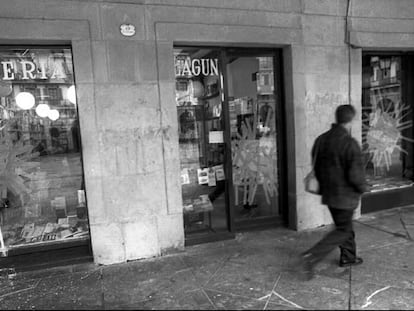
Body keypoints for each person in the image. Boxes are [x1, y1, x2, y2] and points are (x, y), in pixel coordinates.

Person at [301, 104, 369, 280]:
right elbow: (355, 176)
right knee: (343, 230)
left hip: (329, 194)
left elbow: (316, 165)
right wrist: (364, 188)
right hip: (345, 196)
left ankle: (348, 257)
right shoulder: (350, 144)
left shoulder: (321, 139)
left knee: (344, 226)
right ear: (351, 120)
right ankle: (312, 255)